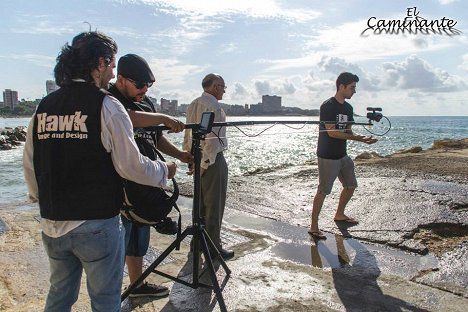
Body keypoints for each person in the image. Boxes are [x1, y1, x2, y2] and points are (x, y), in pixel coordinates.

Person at [23, 31, 177, 312]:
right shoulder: (107, 105)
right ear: (101, 63)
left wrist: (42, 200)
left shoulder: (43, 108)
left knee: (59, 295)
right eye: (113, 64)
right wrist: (164, 169)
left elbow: (31, 166)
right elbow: (131, 167)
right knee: (105, 301)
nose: (114, 71)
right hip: (95, 225)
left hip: (52, 224)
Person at [108, 53, 193, 297]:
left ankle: (137, 284)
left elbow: (156, 137)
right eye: (140, 84)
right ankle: (123, 289)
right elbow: (129, 118)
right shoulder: (110, 100)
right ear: (121, 79)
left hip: (146, 179)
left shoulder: (146, 103)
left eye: (149, 85)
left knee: (140, 233)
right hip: (119, 183)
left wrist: (180, 154)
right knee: (121, 238)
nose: (144, 89)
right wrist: (164, 117)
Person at [309, 72, 377, 240]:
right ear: (341, 87)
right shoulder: (328, 106)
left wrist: (362, 139)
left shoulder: (348, 108)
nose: (354, 91)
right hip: (327, 156)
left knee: (350, 185)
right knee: (323, 191)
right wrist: (355, 138)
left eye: (355, 87)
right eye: (352, 87)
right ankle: (313, 226)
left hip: (342, 155)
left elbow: (347, 131)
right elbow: (332, 132)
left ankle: (339, 214)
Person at [182, 73, 234, 260]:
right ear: (215, 87)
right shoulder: (215, 107)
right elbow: (212, 141)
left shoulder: (193, 104)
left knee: (199, 204)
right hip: (212, 161)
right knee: (214, 204)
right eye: (223, 86)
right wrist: (204, 165)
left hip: (196, 157)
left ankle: (197, 244)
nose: (224, 90)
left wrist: (190, 159)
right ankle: (213, 246)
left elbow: (189, 135)